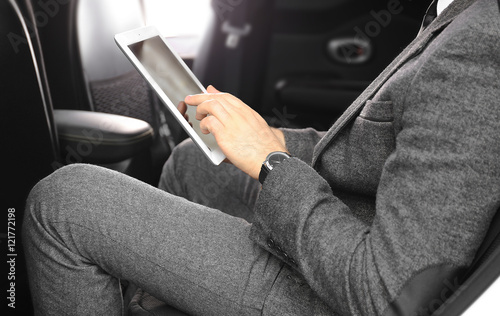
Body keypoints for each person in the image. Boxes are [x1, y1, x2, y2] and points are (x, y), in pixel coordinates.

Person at [22, 0, 500, 315]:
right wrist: (272, 139)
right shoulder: (459, 13)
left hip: (344, 290)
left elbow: (387, 294)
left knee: (65, 202)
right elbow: (390, 150)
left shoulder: (476, 46)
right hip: (367, 228)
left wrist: (272, 162)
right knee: (195, 161)